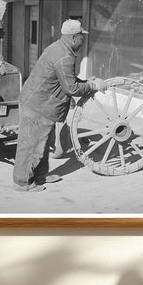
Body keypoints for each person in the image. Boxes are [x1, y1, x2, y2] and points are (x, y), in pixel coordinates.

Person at [13, 19, 107, 192]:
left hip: (39, 102)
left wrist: (86, 82)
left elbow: (66, 79)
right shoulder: (64, 56)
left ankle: (39, 176)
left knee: (43, 142)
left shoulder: (60, 48)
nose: (83, 41)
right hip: (38, 106)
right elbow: (71, 88)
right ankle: (23, 182)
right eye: (81, 37)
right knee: (32, 144)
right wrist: (93, 86)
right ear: (73, 38)